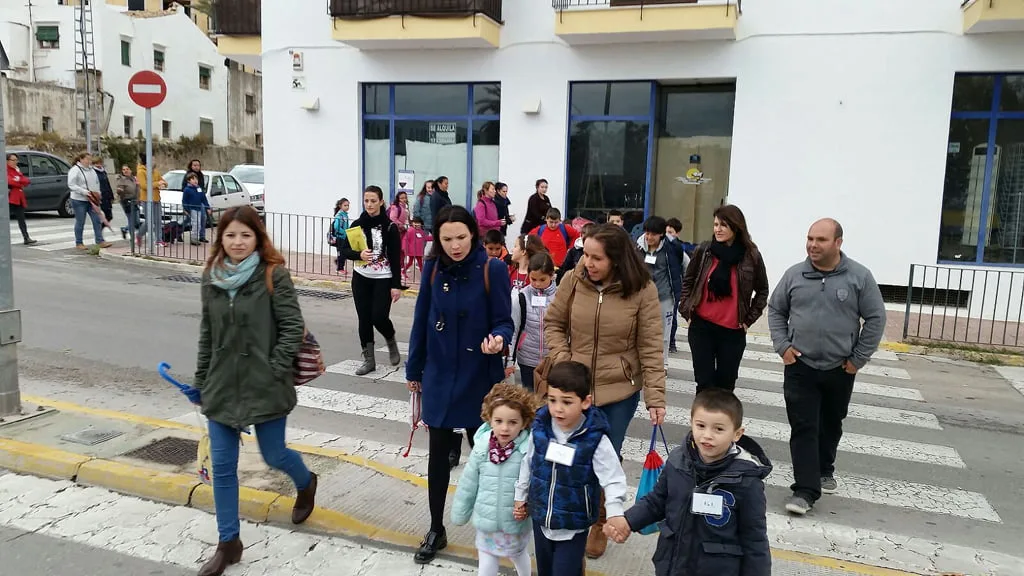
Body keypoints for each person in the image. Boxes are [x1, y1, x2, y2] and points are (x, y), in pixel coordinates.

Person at [192, 206, 317, 576]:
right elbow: (207, 334)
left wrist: (274, 368)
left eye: (245, 235)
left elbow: (293, 327)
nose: (237, 242)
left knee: (274, 455)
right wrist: (200, 381)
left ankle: (306, 482)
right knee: (224, 468)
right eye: (230, 235)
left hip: (265, 384)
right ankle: (228, 543)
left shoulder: (273, 274)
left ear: (257, 237)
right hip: (222, 387)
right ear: (221, 238)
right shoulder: (211, 276)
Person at [544, 223, 666, 559]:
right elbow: (553, 324)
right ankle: (571, 512)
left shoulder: (642, 289)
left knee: (605, 456)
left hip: (618, 393)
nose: (588, 263)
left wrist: (656, 396)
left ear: (616, 259)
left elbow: (651, 346)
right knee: (570, 453)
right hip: (575, 389)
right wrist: (565, 361)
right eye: (585, 254)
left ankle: (599, 521)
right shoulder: (573, 280)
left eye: (596, 258)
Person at [405, 205, 514, 564]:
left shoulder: (492, 269)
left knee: (487, 457)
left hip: (479, 378)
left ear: (474, 235)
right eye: (447, 238)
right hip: (440, 376)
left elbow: (504, 321)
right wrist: (414, 370)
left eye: (461, 238)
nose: (455, 245)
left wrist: (498, 339)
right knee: (438, 457)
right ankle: (436, 527)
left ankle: (495, 531)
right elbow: (422, 319)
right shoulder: (434, 269)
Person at [767, 218, 886, 516]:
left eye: (820, 239)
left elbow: (876, 318)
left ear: (838, 243)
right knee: (804, 426)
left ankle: (824, 467)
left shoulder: (859, 277)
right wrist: (783, 346)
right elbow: (776, 310)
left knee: (831, 423)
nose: (812, 245)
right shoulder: (794, 275)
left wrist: (858, 358)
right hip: (800, 365)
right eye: (809, 238)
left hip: (840, 368)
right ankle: (805, 491)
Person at [604, 389, 772, 576]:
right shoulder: (678, 461)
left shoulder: (746, 481)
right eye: (700, 426)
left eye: (719, 429)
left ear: (737, 434)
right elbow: (657, 501)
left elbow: (755, 541)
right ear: (691, 423)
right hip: (673, 564)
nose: (707, 435)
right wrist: (628, 520)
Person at [527, 361, 629, 576]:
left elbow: (612, 478)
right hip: (541, 517)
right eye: (552, 400)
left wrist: (614, 513)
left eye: (567, 402)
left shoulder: (595, 439)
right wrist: (521, 495)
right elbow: (527, 462)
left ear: (585, 402)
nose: (557, 409)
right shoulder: (540, 429)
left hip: (574, 524)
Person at [679, 205, 769, 395]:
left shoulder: (751, 256)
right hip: (702, 328)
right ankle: (702, 425)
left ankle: (721, 425)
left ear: (736, 227)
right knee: (704, 384)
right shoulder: (705, 251)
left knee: (725, 386)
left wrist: (748, 320)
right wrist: (687, 309)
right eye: (715, 224)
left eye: (723, 225)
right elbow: (688, 280)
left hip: (732, 332)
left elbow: (762, 291)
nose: (718, 229)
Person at [450, 383, 536, 576]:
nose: (505, 428)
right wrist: (461, 512)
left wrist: (528, 507)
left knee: (518, 554)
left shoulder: (528, 451)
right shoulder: (481, 448)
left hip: (515, 523)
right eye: (498, 421)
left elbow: (535, 486)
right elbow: (468, 483)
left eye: (513, 422)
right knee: (487, 560)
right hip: (486, 521)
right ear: (489, 420)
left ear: (524, 422)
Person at [342, 185, 403, 376]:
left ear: (381, 202)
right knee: (364, 319)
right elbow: (344, 250)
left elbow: (395, 258)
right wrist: (358, 253)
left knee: (379, 316)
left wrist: (396, 285)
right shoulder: (356, 225)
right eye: (366, 200)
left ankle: (390, 339)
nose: (369, 204)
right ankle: (369, 360)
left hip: (383, 278)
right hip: (361, 277)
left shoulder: (390, 227)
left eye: (373, 201)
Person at [638, 216, 686, 368]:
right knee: (641, 331)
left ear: (661, 235)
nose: (649, 237)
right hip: (642, 297)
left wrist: (683, 287)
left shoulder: (673, 248)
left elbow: (686, 265)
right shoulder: (637, 247)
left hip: (665, 296)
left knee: (664, 333)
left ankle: (663, 363)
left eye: (653, 234)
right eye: (647, 233)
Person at [510, 252, 556, 392]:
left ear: (552, 275)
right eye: (533, 279)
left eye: (542, 279)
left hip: (554, 360)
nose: (537, 284)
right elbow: (514, 329)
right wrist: (510, 361)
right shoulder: (521, 297)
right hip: (527, 360)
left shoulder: (561, 296)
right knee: (530, 402)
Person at [67, 152, 111, 250]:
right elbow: (71, 185)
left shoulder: (92, 170)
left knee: (97, 220)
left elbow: (96, 183)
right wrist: (84, 191)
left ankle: (99, 240)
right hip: (79, 200)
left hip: (92, 199)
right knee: (80, 221)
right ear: (81, 159)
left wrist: (98, 193)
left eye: (90, 159)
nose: (89, 161)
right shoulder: (75, 170)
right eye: (87, 159)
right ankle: (79, 242)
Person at [664, 217, 690, 352]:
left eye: (671, 232)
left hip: (674, 289)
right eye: (666, 231)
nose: (668, 235)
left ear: (677, 233)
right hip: (661, 288)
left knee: (671, 317)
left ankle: (671, 342)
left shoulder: (679, 248)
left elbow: (687, 267)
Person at [136, 153, 165, 250]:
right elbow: (144, 186)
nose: (154, 162)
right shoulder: (141, 172)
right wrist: (157, 184)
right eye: (152, 160)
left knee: (158, 221)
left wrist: (164, 184)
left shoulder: (155, 171)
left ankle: (159, 240)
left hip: (157, 199)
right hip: (146, 200)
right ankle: (139, 234)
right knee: (150, 221)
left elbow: (163, 181)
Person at [6, 153, 36, 245]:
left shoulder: (17, 170)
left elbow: (26, 181)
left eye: (16, 160)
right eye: (13, 160)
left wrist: (18, 181)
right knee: (5, 218)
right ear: (7, 161)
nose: (15, 162)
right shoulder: (6, 170)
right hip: (10, 197)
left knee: (21, 219)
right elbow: (9, 181)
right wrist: (19, 182)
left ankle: (26, 237)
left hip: (19, 198)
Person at [183, 172, 211, 245]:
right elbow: (184, 200)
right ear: (189, 180)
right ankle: (193, 239)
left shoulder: (199, 189)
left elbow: (204, 198)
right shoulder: (187, 189)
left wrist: (207, 207)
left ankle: (197, 237)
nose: (195, 181)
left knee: (199, 223)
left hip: (199, 209)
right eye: (193, 179)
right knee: (195, 223)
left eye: (196, 179)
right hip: (192, 209)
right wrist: (186, 209)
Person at [403, 216, 431, 282]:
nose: (417, 224)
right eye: (415, 222)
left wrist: (434, 238)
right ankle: (403, 272)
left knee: (420, 264)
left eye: (418, 223)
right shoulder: (410, 230)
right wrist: (404, 248)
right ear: (412, 223)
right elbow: (405, 239)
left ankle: (423, 277)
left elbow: (426, 238)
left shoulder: (421, 231)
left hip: (418, 251)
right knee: (410, 262)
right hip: (412, 251)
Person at [115, 164, 139, 241]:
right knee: (131, 219)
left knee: (136, 221)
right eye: (124, 169)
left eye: (127, 169)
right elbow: (119, 189)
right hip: (126, 201)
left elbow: (137, 189)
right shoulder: (121, 179)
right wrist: (120, 191)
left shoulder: (134, 178)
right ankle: (132, 238)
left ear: (130, 170)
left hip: (135, 201)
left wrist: (139, 198)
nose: (125, 171)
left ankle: (124, 229)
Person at [93, 156, 115, 225]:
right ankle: (98, 232)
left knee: (109, 216)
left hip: (107, 196)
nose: (98, 165)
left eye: (100, 163)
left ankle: (100, 229)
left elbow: (108, 184)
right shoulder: (93, 172)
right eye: (96, 163)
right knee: (101, 216)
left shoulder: (103, 172)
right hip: (99, 196)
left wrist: (111, 196)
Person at [331, 198, 350, 276]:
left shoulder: (345, 214)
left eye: (348, 205)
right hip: (340, 237)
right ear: (340, 206)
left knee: (344, 253)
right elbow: (337, 227)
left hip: (344, 237)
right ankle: (339, 269)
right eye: (345, 205)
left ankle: (339, 263)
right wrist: (344, 232)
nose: (347, 207)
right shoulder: (339, 215)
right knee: (341, 253)